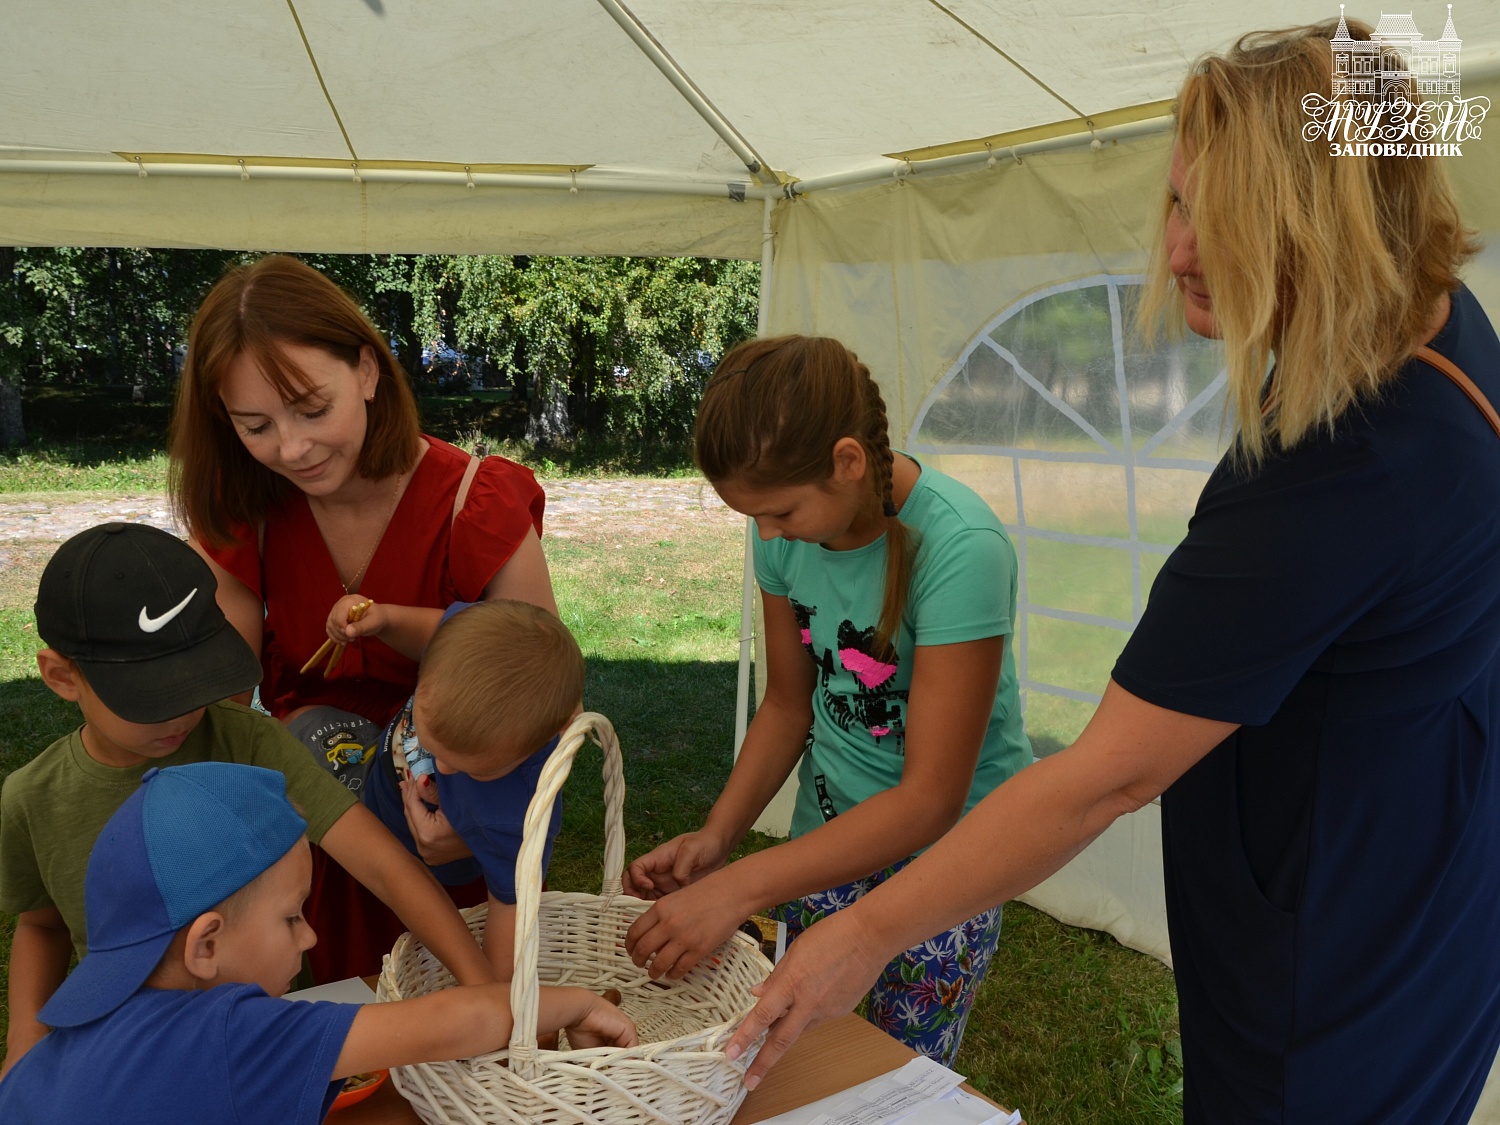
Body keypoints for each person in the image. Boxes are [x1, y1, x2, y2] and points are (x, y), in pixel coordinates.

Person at [725, 21, 1500, 1125]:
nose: (1179, 251)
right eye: (1181, 202)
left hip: (1338, 967)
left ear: (1330, 230)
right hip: (1430, 885)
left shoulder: (1337, 469)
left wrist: (861, 934)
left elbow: (1105, 777)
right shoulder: (1441, 330)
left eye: (1227, 221)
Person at [621, 335, 1032, 1066]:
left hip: (947, 866)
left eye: (779, 512)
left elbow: (931, 799)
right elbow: (787, 704)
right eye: (754, 517)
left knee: (888, 1073)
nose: (767, 534)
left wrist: (741, 887)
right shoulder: (780, 536)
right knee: (798, 1055)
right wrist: (719, 838)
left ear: (848, 462)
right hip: (825, 844)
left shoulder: (962, 547)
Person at [169, 254, 558, 981]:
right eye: (255, 425)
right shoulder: (246, 513)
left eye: (313, 409)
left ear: (370, 371)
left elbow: (541, 696)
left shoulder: (476, 502)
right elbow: (214, 706)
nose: (291, 448)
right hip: (314, 834)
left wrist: (470, 825)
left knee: (469, 1019)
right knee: (351, 1035)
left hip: (456, 815)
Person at [0, 522, 496, 1076]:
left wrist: (484, 989)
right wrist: (26, 1034)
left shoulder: (247, 738)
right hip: (132, 1060)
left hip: (270, 1039)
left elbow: (382, 863)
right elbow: (43, 926)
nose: (186, 711)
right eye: (154, 697)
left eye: (197, 679)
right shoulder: (31, 800)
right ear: (62, 676)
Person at [0, 762, 637, 1124]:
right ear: (205, 946)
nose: (310, 934)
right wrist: (575, 1004)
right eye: (291, 916)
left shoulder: (53, 1054)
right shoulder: (227, 1032)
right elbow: (454, 1020)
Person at [360, 599, 585, 980]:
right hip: (384, 771)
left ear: (554, 732)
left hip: (405, 850)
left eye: (468, 766)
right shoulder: (467, 649)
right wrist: (387, 619)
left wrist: (492, 995)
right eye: (431, 742)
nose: (442, 767)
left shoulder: (514, 820)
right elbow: (436, 629)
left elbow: (509, 916)